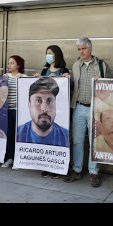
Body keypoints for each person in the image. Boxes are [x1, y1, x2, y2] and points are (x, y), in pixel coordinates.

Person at [64, 37, 111, 188]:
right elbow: (73, 85)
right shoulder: (76, 65)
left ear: (90, 48)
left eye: (83, 48)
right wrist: (66, 78)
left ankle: (93, 172)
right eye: (79, 49)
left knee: (94, 141)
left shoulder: (102, 65)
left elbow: (111, 86)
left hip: (96, 107)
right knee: (77, 140)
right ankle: (77, 169)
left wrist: (102, 80)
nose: (81, 51)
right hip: (78, 107)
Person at [33, 45, 70, 178]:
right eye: (46, 53)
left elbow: (67, 90)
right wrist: (36, 78)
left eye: (50, 53)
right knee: (46, 139)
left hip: (58, 111)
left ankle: (57, 167)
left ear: (57, 55)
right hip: (44, 112)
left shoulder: (64, 70)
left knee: (58, 138)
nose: (48, 56)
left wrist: (67, 78)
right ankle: (46, 165)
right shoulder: (44, 71)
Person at [17, 77, 69, 146]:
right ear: (29, 105)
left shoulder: (65, 137)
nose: (44, 109)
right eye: (38, 101)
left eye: (49, 101)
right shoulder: (18, 134)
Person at [2, 55, 27, 168]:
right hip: (6, 110)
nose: (9, 65)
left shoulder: (23, 77)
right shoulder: (4, 77)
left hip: (18, 111)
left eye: (12, 63)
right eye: (8, 63)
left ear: (18, 65)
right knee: (9, 135)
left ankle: (19, 159)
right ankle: (9, 158)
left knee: (19, 135)